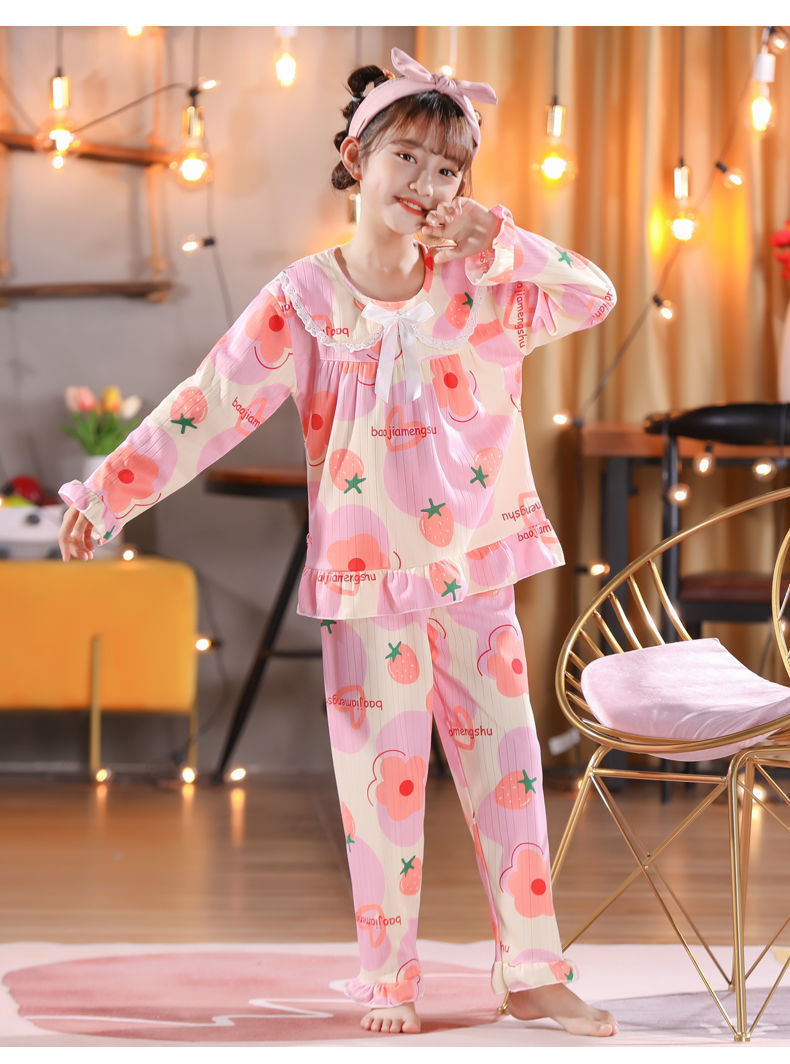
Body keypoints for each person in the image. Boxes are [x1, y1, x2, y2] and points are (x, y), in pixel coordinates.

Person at [58, 47, 618, 1038]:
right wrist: (108, 494)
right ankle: (387, 975)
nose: (427, 184)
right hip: (366, 576)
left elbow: (594, 295)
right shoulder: (305, 300)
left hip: (475, 564)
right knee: (379, 785)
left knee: (509, 768)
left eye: (448, 170)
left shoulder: (487, 283)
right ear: (358, 158)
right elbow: (209, 404)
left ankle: (532, 970)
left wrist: (503, 237)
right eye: (407, 157)